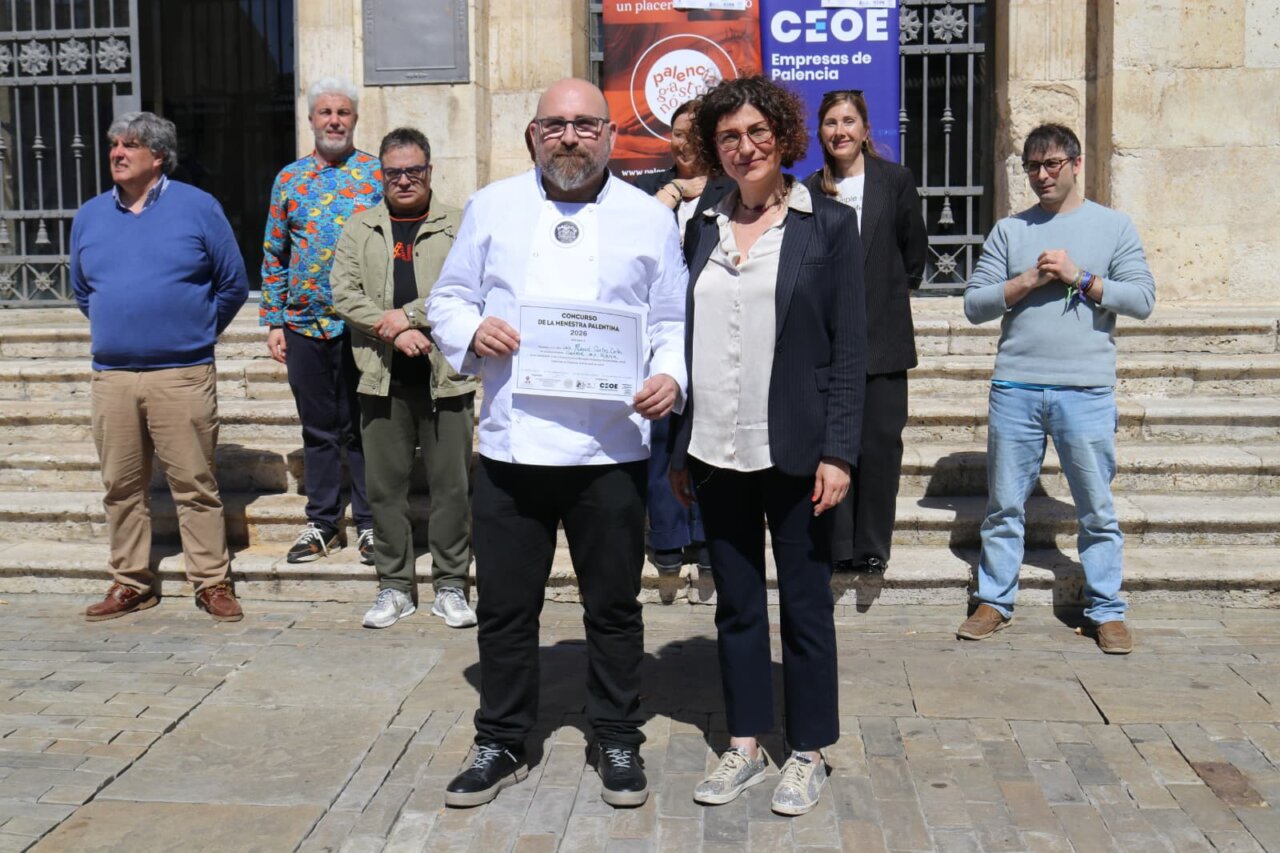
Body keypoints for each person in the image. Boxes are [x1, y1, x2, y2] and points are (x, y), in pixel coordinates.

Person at [427, 78, 687, 809]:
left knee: (613, 606)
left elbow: (670, 318)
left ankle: (616, 733)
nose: (569, 137)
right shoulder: (492, 206)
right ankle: (502, 736)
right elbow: (448, 298)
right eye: (555, 125)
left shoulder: (646, 218)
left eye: (584, 125)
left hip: (610, 451)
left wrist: (670, 374)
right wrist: (470, 330)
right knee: (506, 608)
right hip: (513, 449)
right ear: (532, 136)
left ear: (609, 137)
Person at [668, 76, 866, 816]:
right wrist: (680, 446)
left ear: (782, 137)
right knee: (738, 606)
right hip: (716, 447)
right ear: (713, 147)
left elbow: (850, 348)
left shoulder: (828, 225)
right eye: (728, 136)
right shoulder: (702, 222)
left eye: (756, 133)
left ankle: (810, 749)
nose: (743, 147)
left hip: (798, 449)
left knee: (807, 606)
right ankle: (746, 742)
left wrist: (840, 451)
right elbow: (683, 338)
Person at [957, 123, 1155, 654]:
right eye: (1031, 167)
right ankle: (994, 601)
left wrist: (1081, 277)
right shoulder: (1009, 230)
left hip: (1085, 390)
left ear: (1075, 164)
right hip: (1016, 387)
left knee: (1096, 508)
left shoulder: (1114, 227)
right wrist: (1026, 281)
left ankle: (1106, 610)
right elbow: (975, 306)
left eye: (1051, 166)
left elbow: (1141, 299)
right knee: (1003, 506)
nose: (1041, 176)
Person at [71, 111, 248, 622]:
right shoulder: (90, 215)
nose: (117, 154)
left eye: (129, 146)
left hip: (182, 373)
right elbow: (83, 290)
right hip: (113, 376)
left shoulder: (199, 208)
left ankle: (211, 582)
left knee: (194, 484)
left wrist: (192, 331)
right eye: (114, 146)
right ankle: (131, 582)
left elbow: (232, 284)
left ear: (159, 156)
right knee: (121, 485)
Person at [330, 128, 479, 630]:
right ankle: (394, 587)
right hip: (380, 378)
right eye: (394, 172)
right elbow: (343, 294)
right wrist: (389, 330)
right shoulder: (360, 228)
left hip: (446, 377)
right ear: (382, 176)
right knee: (385, 490)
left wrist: (409, 317)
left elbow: (468, 290)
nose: (405, 180)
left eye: (414, 170)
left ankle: (451, 585)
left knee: (452, 488)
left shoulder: (459, 226)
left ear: (430, 171)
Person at [803, 90, 928, 575]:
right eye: (831, 122)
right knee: (835, 446)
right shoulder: (809, 189)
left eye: (849, 121)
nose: (840, 131)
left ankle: (872, 546)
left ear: (865, 129)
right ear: (821, 132)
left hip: (884, 339)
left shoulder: (894, 180)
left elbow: (912, 247)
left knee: (879, 446)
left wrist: (892, 293)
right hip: (827, 345)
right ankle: (838, 546)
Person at [260, 77, 380, 566]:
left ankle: (372, 524)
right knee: (319, 427)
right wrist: (273, 320)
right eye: (325, 112)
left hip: (363, 327)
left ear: (355, 119)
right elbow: (274, 252)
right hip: (304, 324)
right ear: (310, 120)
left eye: (343, 112)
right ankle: (324, 523)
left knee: (365, 425)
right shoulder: (289, 180)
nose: (334, 120)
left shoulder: (376, 175)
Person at [634, 98, 731, 575]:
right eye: (676, 132)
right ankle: (669, 541)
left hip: (714, 332)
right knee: (659, 433)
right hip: (659, 335)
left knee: (706, 435)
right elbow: (632, 242)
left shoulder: (730, 189)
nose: (684, 141)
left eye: (695, 133)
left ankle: (709, 539)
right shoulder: (649, 191)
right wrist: (670, 195)